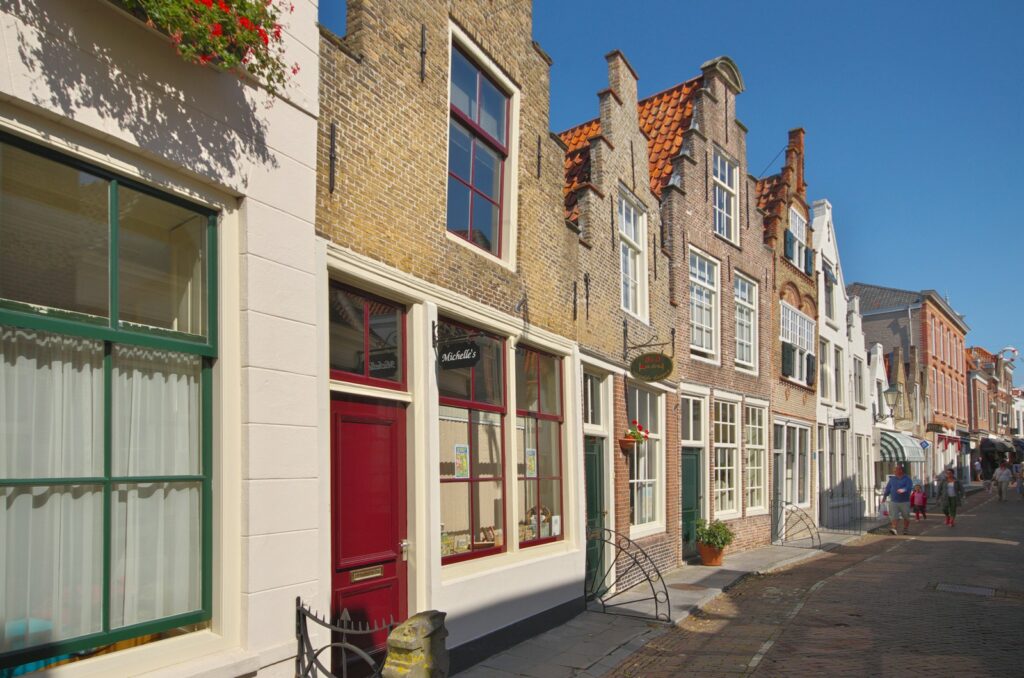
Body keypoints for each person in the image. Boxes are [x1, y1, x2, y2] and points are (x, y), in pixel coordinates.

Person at [882, 465, 914, 535]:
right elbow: (888, 488)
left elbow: (909, 487)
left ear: (901, 470)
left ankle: (905, 529)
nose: (894, 471)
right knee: (894, 516)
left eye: (895, 470)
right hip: (894, 501)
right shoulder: (892, 479)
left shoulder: (907, 479)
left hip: (904, 501)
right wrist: (884, 496)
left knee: (906, 516)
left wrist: (903, 490)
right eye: (894, 470)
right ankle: (894, 528)